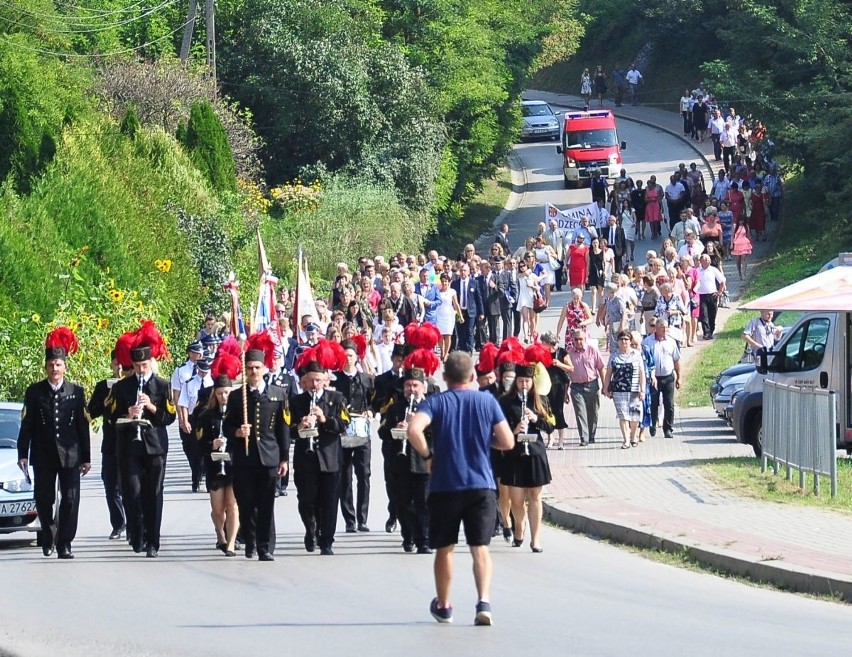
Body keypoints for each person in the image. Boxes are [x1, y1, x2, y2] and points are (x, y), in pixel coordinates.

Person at [406, 352, 514, 626]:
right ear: (472, 377)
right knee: (480, 547)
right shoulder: (487, 401)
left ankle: (444, 605)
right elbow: (508, 441)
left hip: (445, 484)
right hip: (481, 485)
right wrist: (484, 440)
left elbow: (413, 430)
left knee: (445, 548)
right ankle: (484, 602)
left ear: (444, 378)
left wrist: (428, 457)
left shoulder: (437, 402)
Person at [17, 327, 91, 559]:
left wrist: (86, 457)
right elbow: (27, 424)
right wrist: (23, 453)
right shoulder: (34, 392)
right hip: (43, 455)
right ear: (46, 367)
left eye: (58, 365)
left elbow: (82, 426)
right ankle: (48, 535)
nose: (54, 369)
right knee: (44, 499)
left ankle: (65, 543)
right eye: (51, 365)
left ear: (64, 367)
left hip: (71, 455)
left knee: (70, 500)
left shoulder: (76, 392)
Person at [108, 324, 176, 558]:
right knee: (132, 491)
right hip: (130, 447)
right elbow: (112, 417)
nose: (139, 370)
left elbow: (169, 417)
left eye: (143, 366)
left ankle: (153, 541)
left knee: (154, 493)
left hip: (155, 446)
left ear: (151, 363)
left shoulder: (162, 385)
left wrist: (150, 406)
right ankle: (136, 533)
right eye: (136, 366)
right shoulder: (122, 387)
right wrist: (128, 414)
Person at [223, 341, 289, 561]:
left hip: (269, 457)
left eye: (257, 367)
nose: (253, 371)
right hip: (244, 459)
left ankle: (265, 546)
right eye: (250, 368)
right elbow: (227, 426)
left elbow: (283, 429)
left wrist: (284, 458)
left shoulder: (277, 394)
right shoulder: (236, 396)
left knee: (266, 504)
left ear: (264, 369)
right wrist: (237, 433)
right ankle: (249, 542)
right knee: (246, 503)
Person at [291, 350, 350, 556]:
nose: (315, 385)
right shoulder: (296, 401)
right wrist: (300, 425)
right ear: (304, 382)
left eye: (318, 380)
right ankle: (311, 529)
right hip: (306, 460)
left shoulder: (336, 398)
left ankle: (327, 541)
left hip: (330, 458)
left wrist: (325, 419)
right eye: (311, 381)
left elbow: (344, 424)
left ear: (325, 380)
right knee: (306, 499)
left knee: (330, 501)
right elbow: (287, 430)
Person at [498, 359, 554, 551]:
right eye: (520, 381)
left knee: (535, 497)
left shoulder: (540, 400)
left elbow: (550, 426)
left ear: (532, 383)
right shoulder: (505, 401)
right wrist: (514, 429)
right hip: (514, 454)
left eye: (527, 382)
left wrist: (536, 418)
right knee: (517, 499)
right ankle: (519, 529)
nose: (524, 385)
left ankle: (535, 539)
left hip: (535, 453)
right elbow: (499, 428)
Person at [383, 367, 433, 553]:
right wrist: (397, 428)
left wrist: (420, 425)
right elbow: (382, 432)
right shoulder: (395, 408)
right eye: (408, 386)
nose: (411, 389)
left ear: (423, 387)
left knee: (424, 503)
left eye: (415, 385)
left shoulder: (431, 408)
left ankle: (424, 540)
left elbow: (440, 432)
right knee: (403, 503)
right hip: (400, 463)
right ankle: (408, 536)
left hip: (423, 462)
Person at [333, 340, 375, 533]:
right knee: (344, 476)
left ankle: (362, 518)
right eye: (345, 355)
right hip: (341, 433)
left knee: (364, 474)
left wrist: (371, 412)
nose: (348, 359)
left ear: (357, 357)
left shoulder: (366, 379)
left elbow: (376, 400)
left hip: (361, 433)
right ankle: (349, 519)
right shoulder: (334, 380)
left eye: (351, 355)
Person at [196, 374, 240, 557]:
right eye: (220, 393)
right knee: (217, 508)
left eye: (227, 393)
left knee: (232, 505)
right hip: (215, 464)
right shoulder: (206, 415)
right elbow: (199, 442)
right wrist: (211, 444)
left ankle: (230, 543)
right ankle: (220, 534)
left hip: (233, 463)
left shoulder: (238, 414)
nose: (224, 397)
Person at [87, 349, 126, 540]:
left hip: (130, 443)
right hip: (110, 444)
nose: (118, 368)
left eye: (121, 364)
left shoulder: (132, 385)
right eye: (115, 363)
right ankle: (118, 524)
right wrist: (103, 403)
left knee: (130, 486)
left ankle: (135, 523)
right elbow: (91, 412)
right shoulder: (103, 386)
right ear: (111, 365)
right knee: (110, 485)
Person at [603, 330, 646, 449]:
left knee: (635, 416)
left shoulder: (636, 355)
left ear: (630, 341)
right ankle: (626, 440)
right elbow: (608, 373)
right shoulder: (614, 356)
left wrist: (642, 390)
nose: (624, 342)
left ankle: (633, 436)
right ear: (618, 341)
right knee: (623, 416)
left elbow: (642, 373)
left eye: (626, 339)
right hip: (618, 391)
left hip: (634, 390)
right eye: (621, 339)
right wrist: (606, 387)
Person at [565, 328, 606, 446]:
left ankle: (591, 435)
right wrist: (565, 392)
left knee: (593, 412)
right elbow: (566, 374)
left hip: (592, 385)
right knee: (580, 412)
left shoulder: (592, 350)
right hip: (576, 387)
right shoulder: (569, 354)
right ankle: (584, 438)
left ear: (585, 339)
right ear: (572, 340)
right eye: (576, 339)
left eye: (580, 339)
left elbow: (601, 368)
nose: (578, 342)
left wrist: (604, 386)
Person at [642, 321, 681, 439]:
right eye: (662, 327)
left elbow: (677, 360)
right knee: (653, 403)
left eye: (666, 327)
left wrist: (679, 377)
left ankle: (668, 429)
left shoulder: (671, 342)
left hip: (668, 377)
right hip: (653, 378)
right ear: (656, 328)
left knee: (669, 404)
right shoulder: (647, 342)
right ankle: (652, 424)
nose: (664, 330)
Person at [540, 333, 572, 450]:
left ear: (549, 343)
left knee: (558, 411)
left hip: (558, 385)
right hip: (545, 384)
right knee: (547, 412)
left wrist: (559, 364)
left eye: (543, 342)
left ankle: (561, 440)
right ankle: (550, 438)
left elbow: (571, 368)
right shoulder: (542, 353)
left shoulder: (562, 352)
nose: (542, 345)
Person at [696, 254, 727, 340]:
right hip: (701, 295)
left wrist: (720, 292)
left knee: (712, 315)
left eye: (708, 260)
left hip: (712, 295)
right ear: (701, 261)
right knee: (704, 315)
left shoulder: (713, 270)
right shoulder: (697, 271)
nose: (707, 261)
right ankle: (706, 333)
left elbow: (722, 280)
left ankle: (711, 331)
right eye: (705, 260)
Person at [556, 287, 593, 351]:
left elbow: (590, 319)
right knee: (570, 351)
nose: (576, 300)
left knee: (583, 350)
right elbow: (561, 320)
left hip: (582, 332)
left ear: (581, 298)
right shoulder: (567, 306)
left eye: (578, 298)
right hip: (571, 333)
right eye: (574, 298)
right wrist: (558, 333)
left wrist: (583, 323)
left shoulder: (584, 306)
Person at [434, 273, 461, 361]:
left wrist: (460, 315)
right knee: (440, 335)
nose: (444, 283)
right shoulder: (437, 291)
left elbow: (456, 304)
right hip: (439, 315)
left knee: (448, 335)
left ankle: (446, 354)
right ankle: (442, 350)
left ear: (449, 282)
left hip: (449, 315)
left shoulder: (452, 291)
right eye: (443, 281)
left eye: (446, 281)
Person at [731, 214, 753, 279]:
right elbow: (732, 235)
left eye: (742, 220)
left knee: (744, 257)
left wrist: (750, 242)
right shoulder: (735, 226)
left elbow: (748, 235)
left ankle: (744, 274)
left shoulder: (746, 226)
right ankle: (739, 272)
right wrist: (731, 244)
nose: (741, 222)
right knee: (738, 259)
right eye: (740, 220)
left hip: (744, 242)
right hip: (737, 243)